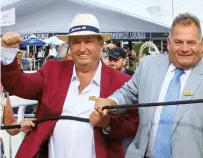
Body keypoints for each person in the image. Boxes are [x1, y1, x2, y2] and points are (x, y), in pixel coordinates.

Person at [91, 13, 203, 158]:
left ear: (201, 45)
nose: (184, 48)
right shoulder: (149, 65)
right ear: (169, 43)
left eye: (191, 42)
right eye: (178, 42)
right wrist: (111, 102)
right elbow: (128, 93)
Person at [0, 13, 139, 158]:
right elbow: (19, 86)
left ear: (100, 44)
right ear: (70, 46)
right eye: (76, 42)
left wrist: (108, 123)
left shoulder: (121, 81)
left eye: (88, 42)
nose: (82, 48)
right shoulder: (53, 70)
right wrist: (8, 54)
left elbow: (135, 122)